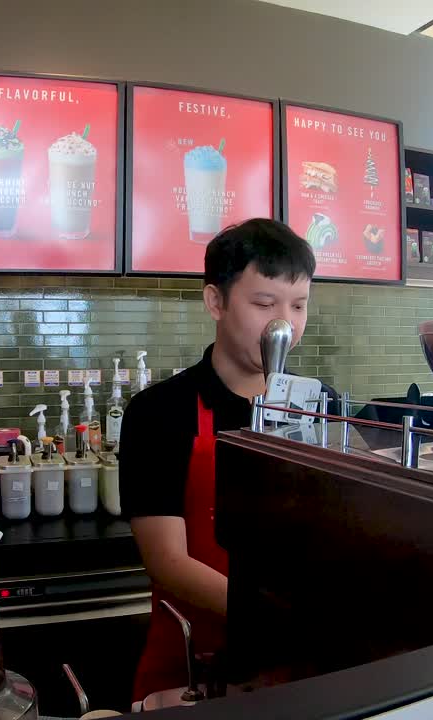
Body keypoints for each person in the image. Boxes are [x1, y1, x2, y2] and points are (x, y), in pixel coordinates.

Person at [118, 218, 318, 700]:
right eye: (265, 304)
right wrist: (272, 619)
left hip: (303, 671)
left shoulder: (318, 405)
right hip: (190, 671)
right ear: (215, 301)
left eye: (298, 305)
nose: (284, 324)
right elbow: (167, 560)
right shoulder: (159, 412)